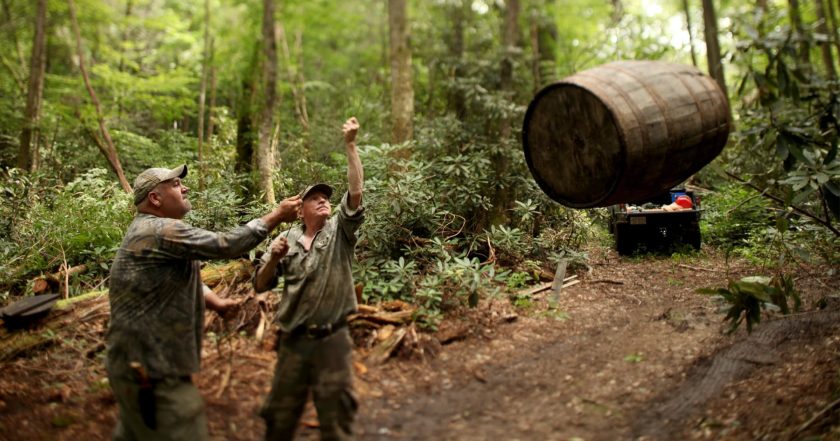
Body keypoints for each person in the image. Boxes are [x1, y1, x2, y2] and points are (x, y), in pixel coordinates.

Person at [106, 164, 302, 441]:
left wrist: (216, 303)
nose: (184, 187)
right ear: (155, 199)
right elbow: (226, 244)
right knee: (185, 421)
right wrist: (276, 216)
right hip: (151, 372)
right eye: (175, 184)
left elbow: (173, 282)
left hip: (135, 365)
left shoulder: (152, 231)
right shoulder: (159, 230)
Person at [254, 117, 364, 441]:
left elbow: (355, 192)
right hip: (293, 344)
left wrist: (351, 145)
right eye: (314, 198)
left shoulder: (341, 232)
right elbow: (260, 285)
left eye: (326, 197)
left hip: (334, 342)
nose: (323, 200)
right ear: (300, 210)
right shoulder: (284, 240)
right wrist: (273, 258)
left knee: (338, 420)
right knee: (279, 418)